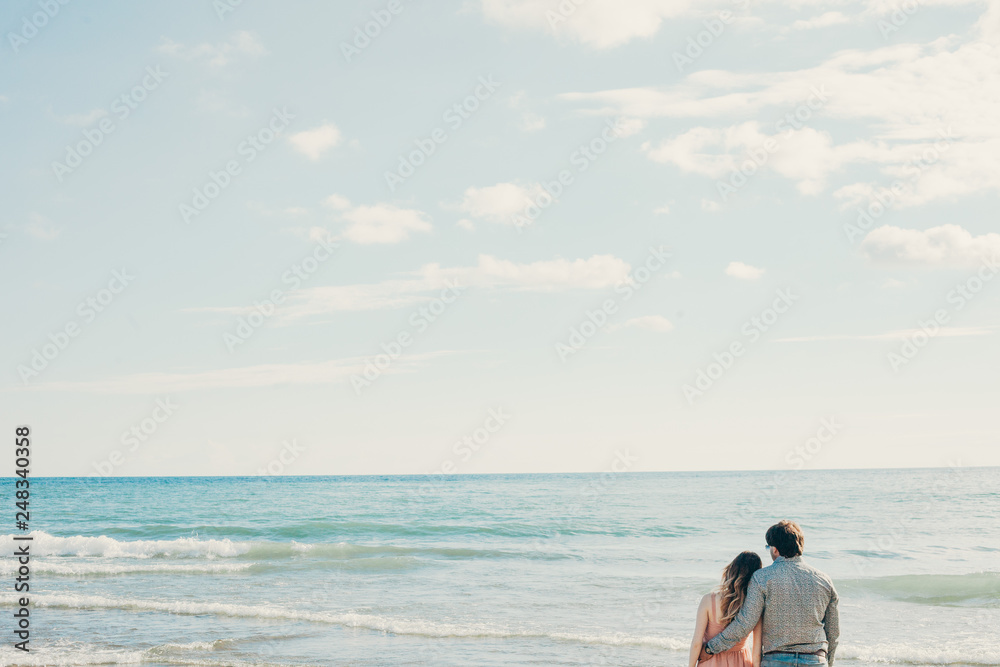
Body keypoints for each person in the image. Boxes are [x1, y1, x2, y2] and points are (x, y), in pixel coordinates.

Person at [701, 520, 840, 666]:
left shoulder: (762, 578)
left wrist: (711, 648)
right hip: (815, 659)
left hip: (776, 660)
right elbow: (833, 633)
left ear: (775, 549)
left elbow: (744, 624)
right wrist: (828, 662)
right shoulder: (824, 580)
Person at [688, 551, 763, 667]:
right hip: (742, 662)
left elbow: (696, 643)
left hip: (710, 662)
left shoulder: (709, 600)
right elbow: (757, 653)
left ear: (732, 570)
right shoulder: (755, 605)